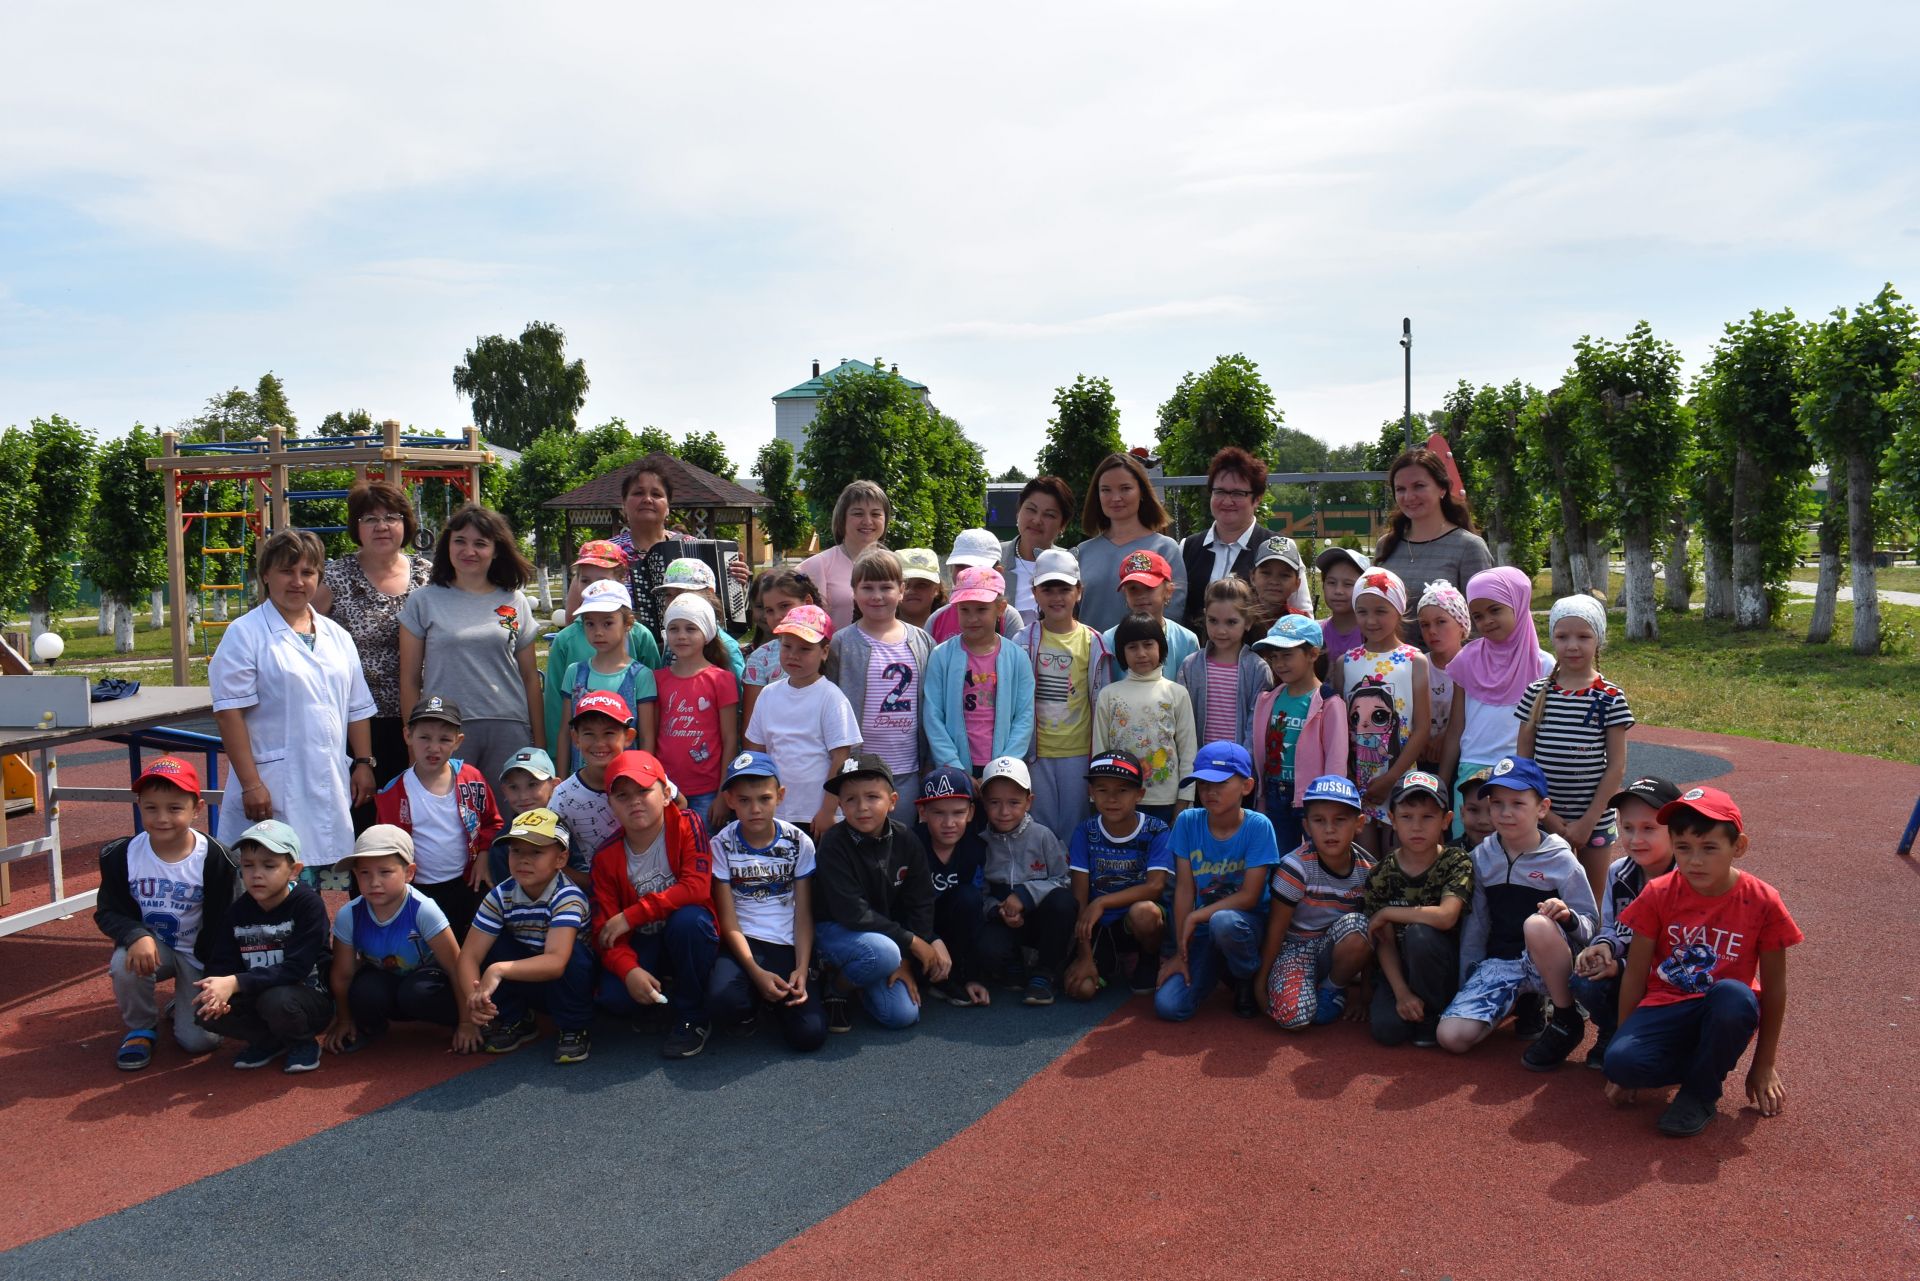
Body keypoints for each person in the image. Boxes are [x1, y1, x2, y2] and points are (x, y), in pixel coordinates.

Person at [1604, 786, 1802, 1137]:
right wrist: (1622, 1057)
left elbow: (1774, 988)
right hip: (1666, 1004)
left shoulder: (1763, 901)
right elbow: (1635, 976)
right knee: (1621, 1062)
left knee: (1733, 996)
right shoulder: (1658, 893)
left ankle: (1700, 1093)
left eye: (1709, 848)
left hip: (1724, 1009)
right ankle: (1701, 1064)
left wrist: (1764, 1064)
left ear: (1737, 847)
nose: (1695, 861)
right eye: (1683, 848)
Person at [211, 529, 377, 888]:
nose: (298, 581)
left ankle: (316, 945)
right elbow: (229, 714)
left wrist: (363, 761)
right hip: (271, 785)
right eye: (287, 571)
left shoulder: (337, 636)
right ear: (266, 575)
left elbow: (357, 705)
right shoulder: (245, 634)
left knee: (317, 884)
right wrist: (251, 784)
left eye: (308, 572)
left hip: (328, 779)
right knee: (269, 887)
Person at [1435, 756, 1599, 1071]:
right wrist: (1467, 982)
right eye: (1497, 804)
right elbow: (1477, 925)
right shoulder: (1481, 858)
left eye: (1517, 803)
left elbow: (1591, 925)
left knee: (1537, 924)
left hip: (1550, 963)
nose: (1505, 813)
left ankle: (1565, 1016)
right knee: (1451, 1037)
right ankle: (1517, 1001)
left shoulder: (1561, 859)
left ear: (1542, 808)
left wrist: (1568, 916)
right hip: (1502, 963)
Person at [96, 757, 235, 1071]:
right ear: (139, 805)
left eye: (174, 808)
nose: (162, 818)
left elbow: (228, 921)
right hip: (153, 949)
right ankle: (141, 1027)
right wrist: (135, 935)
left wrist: (223, 977)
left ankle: (183, 1002)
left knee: (199, 1043)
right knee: (123, 962)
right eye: (151, 808)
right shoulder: (122, 855)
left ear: (196, 808)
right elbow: (108, 911)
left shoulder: (216, 859)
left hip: (200, 955)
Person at [397, 503, 543, 797]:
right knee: (451, 824)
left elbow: (530, 678)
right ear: (447, 545)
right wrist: (414, 743)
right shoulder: (423, 601)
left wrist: (539, 744)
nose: (469, 551)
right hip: (444, 731)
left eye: (480, 543)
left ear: (496, 550)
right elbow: (409, 678)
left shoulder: (514, 601)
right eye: (460, 541)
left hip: (508, 727)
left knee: (511, 826)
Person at [315, 481, 434, 830]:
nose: (381, 526)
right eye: (370, 518)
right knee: (365, 823)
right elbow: (301, 636)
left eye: (391, 517)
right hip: (357, 723)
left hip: (418, 718)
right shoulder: (335, 577)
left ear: (406, 524)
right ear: (356, 527)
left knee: (418, 818)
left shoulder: (427, 576)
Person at [590, 750, 720, 1060]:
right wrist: (629, 969)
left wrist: (632, 915)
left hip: (687, 934)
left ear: (665, 794)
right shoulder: (605, 857)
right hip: (644, 940)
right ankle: (660, 994)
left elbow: (696, 887)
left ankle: (693, 1014)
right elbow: (604, 932)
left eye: (644, 790)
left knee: (689, 922)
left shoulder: (688, 824)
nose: (634, 801)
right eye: (622, 795)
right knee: (614, 998)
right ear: (611, 806)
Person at [811, 754, 950, 1032]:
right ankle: (836, 987)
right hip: (836, 930)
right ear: (840, 805)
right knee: (883, 953)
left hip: (882, 938)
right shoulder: (834, 844)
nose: (862, 807)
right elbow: (853, 913)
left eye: (872, 796)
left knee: (902, 1015)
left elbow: (921, 902)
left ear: (893, 801)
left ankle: (860, 978)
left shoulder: (907, 839)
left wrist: (909, 961)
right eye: (850, 799)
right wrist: (913, 942)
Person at [191, 820, 334, 1074]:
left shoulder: (307, 905)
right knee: (206, 1009)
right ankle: (269, 1041)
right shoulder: (238, 911)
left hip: (308, 998)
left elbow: (295, 969)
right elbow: (222, 962)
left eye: (269, 866)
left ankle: (302, 1041)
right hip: (259, 992)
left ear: (294, 870)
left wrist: (234, 983)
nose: (257, 874)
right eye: (248, 866)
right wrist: (218, 992)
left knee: (276, 1000)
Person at [455, 808, 596, 1064]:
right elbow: (468, 957)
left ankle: (574, 1026)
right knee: (487, 941)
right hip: (531, 976)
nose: (523, 860)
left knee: (573, 954)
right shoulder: (500, 894)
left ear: (561, 858)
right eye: (516, 850)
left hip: (570, 983)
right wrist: (475, 1000)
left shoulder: (567, 896)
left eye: (536, 851)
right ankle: (517, 1019)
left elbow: (556, 962)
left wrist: (498, 970)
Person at [706, 752, 825, 1051]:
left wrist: (801, 966)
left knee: (810, 1036)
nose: (755, 809)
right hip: (743, 941)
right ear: (730, 800)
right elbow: (728, 918)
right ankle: (756, 999)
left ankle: (783, 992)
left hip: (786, 941)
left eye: (764, 798)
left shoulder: (799, 842)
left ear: (780, 796)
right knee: (723, 1002)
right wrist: (755, 973)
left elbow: (803, 913)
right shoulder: (721, 843)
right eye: (744, 800)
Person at [1518, 595, 1635, 901]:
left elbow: (1616, 767)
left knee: (1590, 901)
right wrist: (1549, 818)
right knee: (1542, 897)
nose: (1572, 645)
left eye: (1583, 637)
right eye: (1562, 636)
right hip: (1543, 817)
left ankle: (1589, 948)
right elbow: (1524, 764)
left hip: (1593, 821)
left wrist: (1587, 823)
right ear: (1552, 639)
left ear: (1599, 640)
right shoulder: (1536, 693)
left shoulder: (1610, 697)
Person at [1154, 743, 1281, 1021]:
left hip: (1246, 925)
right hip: (1202, 929)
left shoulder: (1258, 826)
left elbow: (1250, 896)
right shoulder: (1187, 822)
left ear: (1247, 786)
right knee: (1169, 1006)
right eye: (1202, 783)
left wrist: (1196, 916)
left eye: (1220, 783)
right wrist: (1180, 951)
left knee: (1224, 922)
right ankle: (1220, 967)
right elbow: (1185, 889)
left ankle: (1247, 975)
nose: (1209, 791)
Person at [319, 825, 472, 1054]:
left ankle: (453, 1021)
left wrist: (467, 1023)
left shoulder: (424, 910)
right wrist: (344, 1019)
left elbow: (456, 967)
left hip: (428, 984)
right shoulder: (349, 914)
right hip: (386, 982)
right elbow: (342, 974)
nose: (374, 882)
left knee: (416, 993)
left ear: (409, 873)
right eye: (364, 873)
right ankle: (372, 1026)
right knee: (364, 992)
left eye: (385, 872)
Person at [1570, 775, 1680, 1070]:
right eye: (1627, 828)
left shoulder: (1686, 880)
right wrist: (1603, 946)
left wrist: (1620, 966)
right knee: (1583, 977)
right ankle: (1612, 1030)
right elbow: (1611, 926)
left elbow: (1679, 955)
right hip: (1626, 969)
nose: (1635, 839)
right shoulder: (1619, 871)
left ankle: (1655, 1038)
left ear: (1676, 831)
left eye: (1649, 829)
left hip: (1671, 979)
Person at [371, 695, 504, 932]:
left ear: (458, 741)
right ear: (407, 736)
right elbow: (387, 848)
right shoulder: (393, 793)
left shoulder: (471, 778)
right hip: (418, 890)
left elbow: (492, 822)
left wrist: (484, 854)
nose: (434, 747)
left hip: (467, 882)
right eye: (424, 737)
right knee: (424, 951)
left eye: (444, 739)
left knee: (469, 944)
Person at [1363, 772, 1473, 1047]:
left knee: (1420, 934)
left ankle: (1432, 1015)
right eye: (1407, 816)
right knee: (1387, 1031)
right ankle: (1410, 1005)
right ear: (1392, 819)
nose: (1416, 827)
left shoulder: (1455, 861)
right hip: (1399, 969)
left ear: (1446, 821)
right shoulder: (1381, 872)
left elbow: (1447, 917)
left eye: (1427, 817)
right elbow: (1383, 940)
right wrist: (1401, 992)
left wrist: (1388, 912)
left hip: (1440, 966)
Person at [1259, 773, 1376, 1029]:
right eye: (1319, 821)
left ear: (1359, 823)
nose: (1329, 829)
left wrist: (1365, 999)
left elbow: (1375, 936)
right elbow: (1276, 930)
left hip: (1334, 947)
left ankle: (1333, 988)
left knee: (1362, 925)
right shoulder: (1296, 866)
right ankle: (1310, 985)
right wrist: (1261, 982)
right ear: (1307, 826)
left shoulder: (1370, 871)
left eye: (1340, 820)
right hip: (1295, 948)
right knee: (1294, 1018)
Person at [1441, 566, 1554, 829]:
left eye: (1495, 610)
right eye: (1478, 616)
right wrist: (1442, 783)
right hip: (1471, 772)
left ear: (1519, 603)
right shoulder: (1466, 659)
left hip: (1519, 776)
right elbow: (1456, 727)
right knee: (1470, 851)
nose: (1487, 621)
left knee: (1516, 852)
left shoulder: (1544, 666)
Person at [828, 548, 933, 818]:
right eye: (867, 587)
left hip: (907, 769)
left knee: (901, 840)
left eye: (886, 587)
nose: (877, 596)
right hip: (858, 768)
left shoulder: (923, 641)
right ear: (854, 591)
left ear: (901, 590)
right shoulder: (842, 643)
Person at [743, 604, 862, 837]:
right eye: (787, 646)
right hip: (776, 812)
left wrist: (828, 809)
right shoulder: (768, 694)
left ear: (824, 652)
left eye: (805, 649)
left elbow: (840, 757)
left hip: (816, 814)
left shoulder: (831, 697)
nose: (793, 655)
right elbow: (757, 752)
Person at [1063, 750, 1172, 1000]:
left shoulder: (1156, 830)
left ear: (1139, 794)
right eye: (1102, 789)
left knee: (1145, 912)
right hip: (1098, 925)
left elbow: (1155, 887)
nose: (1112, 798)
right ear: (1091, 793)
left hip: (1136, 922)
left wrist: (1102, 901)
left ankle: (1148, 958)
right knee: (1082, 990)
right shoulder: (1085, 831)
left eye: (1122, 790)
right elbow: (1080, 897)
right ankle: (1110, 959)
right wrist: (1085, 956)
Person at [1022, 546, 1114, 842]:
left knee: (1076, 827)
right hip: (1037, 754)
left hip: (1079, 753)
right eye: (1047, 588)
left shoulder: (1093, 641)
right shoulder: (1022, 640)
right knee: (1040, 827)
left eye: (1064, 588)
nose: (1056, 597)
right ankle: (1042, 884)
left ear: (1079, 591)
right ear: (1034, 592)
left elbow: (1102, 702)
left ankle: (1074, 884)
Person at [606, 453, 749, 642]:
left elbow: (719, 606)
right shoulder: (607, 553)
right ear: (624, 504)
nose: (647, 499)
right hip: (627, 650)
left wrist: (736, 581)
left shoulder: (690, 545)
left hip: (690, 651)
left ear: (668, 508)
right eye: (638, 493)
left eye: (656, 494)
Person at [1334, 568, 1431, 845]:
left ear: (1399, 610)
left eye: (1381, 611)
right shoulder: (1346, 662)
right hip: (1357, 781)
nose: (1371, 620)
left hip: (1398, 778)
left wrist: (1391, 777)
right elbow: (1340, 725)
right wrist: (1348, 773)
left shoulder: (1414, 660)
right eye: (1362, 611)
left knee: (1397, 854)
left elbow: (1422, 728)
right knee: (1364, 857)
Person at [973, 757, 1076, 1007]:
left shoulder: (1043, 836)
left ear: (1029, 802)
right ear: (983, 803)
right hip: (1004, 919)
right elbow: (979, 892)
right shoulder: (979, 841)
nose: (1004, 811)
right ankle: (1013, 963)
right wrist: (997, 910)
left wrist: (1026, 894)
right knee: (988, 946)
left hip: (1040, 919)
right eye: (994, 803)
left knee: (1064, 903)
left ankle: (1045, 972)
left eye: (1014, 802)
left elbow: (1065, 878)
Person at [542, 540, 661, 756]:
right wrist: (555, 758)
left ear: (621, 580)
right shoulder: (565, 640)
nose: (591, 588)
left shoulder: (641, 636)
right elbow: (554, 708)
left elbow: (654, 704)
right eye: (584, 580)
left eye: (602, 580)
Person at [1372, 446, 1493, 647]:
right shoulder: (1386, 545)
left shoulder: (1469, 547)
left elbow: (1481, 627)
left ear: (1442, 489)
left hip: (1449, 673)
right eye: (1400, 489)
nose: (1409, 496)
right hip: (1392, 672)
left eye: (1419, 486)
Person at [923, 567, 1036, 777]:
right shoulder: (941, 656)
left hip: (1003, 770)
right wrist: (953, 766)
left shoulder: (1017, 658)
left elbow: (1024, 716)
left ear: (1001, 608)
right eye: (964, 609)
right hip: (954, 767)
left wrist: (1004, 766)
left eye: (982, 609)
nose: (972, 618)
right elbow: (933, 715)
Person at [1250, 616, 1346, 855]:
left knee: (1311, 857)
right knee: (1277, 856)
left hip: (1311, 799)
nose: (1279, 664)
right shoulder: (1268, 698)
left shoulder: (1328, 701)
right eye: (1274, 657)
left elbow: (1336, 757)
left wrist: (1330, 802)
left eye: (1287, 655)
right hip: (1273, 794)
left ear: (1313, 654)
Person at [1092, 611, 1197, 824]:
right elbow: (1100, 749)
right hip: (1121, 800)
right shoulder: (1109, 695)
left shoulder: (1177, 693)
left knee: (1163, 856)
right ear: (1121, 653)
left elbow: (1188, 750)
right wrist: (1100, 795)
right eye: (1132, 647)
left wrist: (1185, 798)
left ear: (1161, 647)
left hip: (1166, 802)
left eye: (1148, 644)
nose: (1141, 653)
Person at [1074, 451, 1186, 633]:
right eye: (1106, 490)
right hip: (1091, 658)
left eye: (1125, 488)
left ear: (1141, 491)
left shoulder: (1165, 549)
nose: (1115, 498)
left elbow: (1174, 614)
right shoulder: (1082, 552)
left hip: (1147, 658)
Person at [653, 593, 740, 826]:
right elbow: (651, 736)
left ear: (707, 633)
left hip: (708, 791)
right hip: (665, 787)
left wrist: (723, 792)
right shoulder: (657, 679)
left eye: (691, 629)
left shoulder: (722, 680)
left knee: (704, 853)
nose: (681, 636)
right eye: (674, 629)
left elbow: (730, 738)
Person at [556, 578, 658, 770]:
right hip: (581, 785)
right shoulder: (574, 672)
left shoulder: (641, 676)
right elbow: (565, 732)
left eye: (608, 623)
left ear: (628, 623)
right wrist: (561, 781)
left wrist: (644, 777)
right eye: (590, 624)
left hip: (626, 784)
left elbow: (647, 736)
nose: (598, 632)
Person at [1179, 446, 1283, 631]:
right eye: (1219, 491)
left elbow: (1302, 614)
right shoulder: (1187, 547)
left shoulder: (1278, 548)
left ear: (1257, 499)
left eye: (1237, 493)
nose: (1227, 501)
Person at [913, 766, 991, 1008]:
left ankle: (956, 975)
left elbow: (974, 912)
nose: (949, 823)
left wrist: (973, 976)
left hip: (952, 929)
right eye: (938, 813)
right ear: (922, 812)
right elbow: (902, 907)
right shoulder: (909, 845)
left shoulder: (975, 847)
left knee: (969, 898)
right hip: (916, 931)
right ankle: (927, 976)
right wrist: (931, 939)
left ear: (971, 813)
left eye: (958, 812)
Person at [547, 692, 637, 883]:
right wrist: (590, 882)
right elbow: (549, 849)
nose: (599, 743)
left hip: (650, 879)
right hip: (596, 889)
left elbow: (679, 801)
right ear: (576, 738)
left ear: (628, 737)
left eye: (609, 733)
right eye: (589, 734)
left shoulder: (643, 775)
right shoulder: (563, 795)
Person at [1177, 577, 1271, 747]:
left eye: (1231, 622)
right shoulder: (1190, 666)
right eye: (1213, 620)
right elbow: (1182, 720)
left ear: (1248, 622)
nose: (1221, 630)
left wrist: (1244, 764)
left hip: (1239, 767)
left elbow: (1256, 724)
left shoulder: (1258, 669)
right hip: (1200, 764)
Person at [798, 479, 892, 632]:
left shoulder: (896, 565)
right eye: (858, 513)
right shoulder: (817, 566)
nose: (867, 521)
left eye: (876, 514)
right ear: (842, 519)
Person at [740, 566, 824, 724]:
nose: (777, 616)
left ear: (807, 602)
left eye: (784, 606)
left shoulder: (828, 649)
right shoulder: (759, 658)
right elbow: (752, 724)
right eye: (769, 610)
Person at [1100, 550, 1199, 681]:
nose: (1140, 595)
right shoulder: (1109, 639)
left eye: (1149, 588)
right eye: (1133, 589)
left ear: (1168, 591)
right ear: (1125, 593)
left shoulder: (1186, 640)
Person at [926, 529, 1025, 643]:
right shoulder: (937, 620)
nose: (967, 573)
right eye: (960, 566)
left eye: (978, 567)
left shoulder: (1009, 618)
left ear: (998, 572)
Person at [1000, 475, 1074, 626]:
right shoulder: (993, 559)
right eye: (1031, 510)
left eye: (1049, 515)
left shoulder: (1073, 564)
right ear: (1018, 512)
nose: (1037, 520)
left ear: (1063, 525)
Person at [656, 557, 748, 678]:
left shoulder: (727, 647)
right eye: (668, 594)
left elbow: (738, 693)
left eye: (681, 593)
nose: (675, 601)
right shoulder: (673, 640)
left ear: (709, 594)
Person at [1415, 579, 1471, 773]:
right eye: (1425, 625)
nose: (1432, 631)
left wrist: (1445, 739)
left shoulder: (1475, 666)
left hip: (1462, 759)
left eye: (1441, 622)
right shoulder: (1417, 665)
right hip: (1420, 757)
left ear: (1462, 625)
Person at [487, 747, 559, 887]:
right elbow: (505, 894)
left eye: (533, 784)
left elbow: (585, 880)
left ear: (555, 786)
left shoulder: (569, 828)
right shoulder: (501, 842)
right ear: (504, 791)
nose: (523, 796)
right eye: (514, 787)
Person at [1249, 535, 1313, 636]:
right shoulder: (1239, 617)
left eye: (1284, 575)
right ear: (1252, 578)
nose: (1274, 582)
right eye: (1266, 573)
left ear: (1297, 584)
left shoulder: (1302, 622)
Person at [1313, 546, 1369, 662]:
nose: (1338, 590)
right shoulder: (1314, 633)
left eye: (1348, 584)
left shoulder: (1372, 633)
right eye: (1331, 582)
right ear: (1323, 585)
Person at [896, 548, 945, 630]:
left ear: (937, 589)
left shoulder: (950, 632)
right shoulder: (874, 631)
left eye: (922, 585)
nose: (912, 590)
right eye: (904, 584)